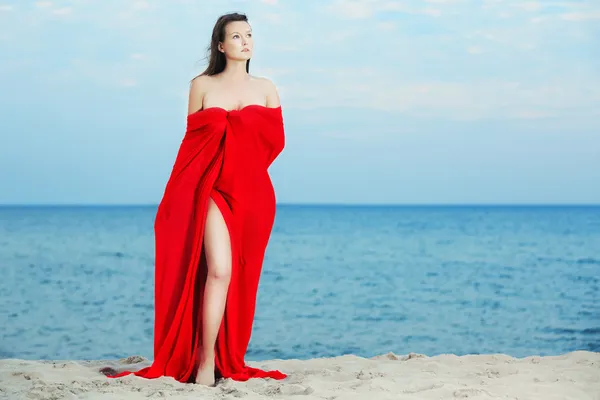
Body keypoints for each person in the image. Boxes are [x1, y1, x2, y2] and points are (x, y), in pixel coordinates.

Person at [103, 12, 288, 386]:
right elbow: (192, 146)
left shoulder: (266, 87)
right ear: (220, 45)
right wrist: (179, 196)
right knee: (219, 270)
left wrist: (241, 158)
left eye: (249, 35)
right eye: (236, 36)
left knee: (242, 278)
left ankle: (226, 357)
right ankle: (205, 363)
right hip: (211, 190)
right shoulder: (201, 85)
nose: (245, 41)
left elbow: (275, 144)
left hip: (254, 194)